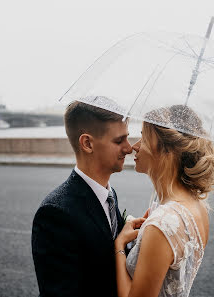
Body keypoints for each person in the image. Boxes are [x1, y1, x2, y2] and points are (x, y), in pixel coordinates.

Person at [114, 105, 214, 297]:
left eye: (144, 138)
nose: (134, 147)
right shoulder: (197, 206)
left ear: (167, 151)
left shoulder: (163, 223)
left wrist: (119, 247)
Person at [31, 99, 134, 297]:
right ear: (87, 143)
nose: (129, 148)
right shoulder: (55, 213)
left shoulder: (110, 196)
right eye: (119, 141)